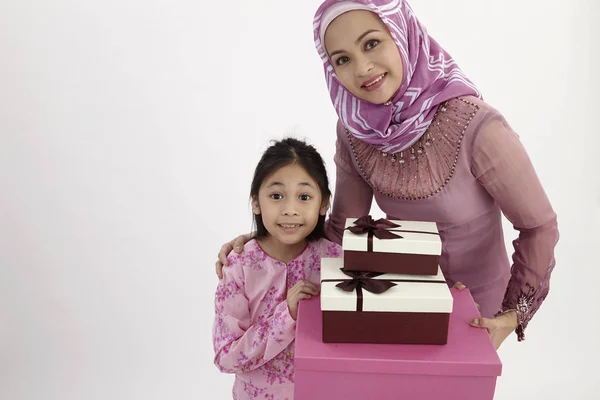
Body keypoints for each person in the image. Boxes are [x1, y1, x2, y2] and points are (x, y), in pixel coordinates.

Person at [215, 0, 559, 350]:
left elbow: (539, 226)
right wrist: (266, 240)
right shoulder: (355, 130)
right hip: (398, 296)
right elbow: (342, 229)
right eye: (342, 59)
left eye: (372, 43)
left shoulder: (477, 125)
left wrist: (511, 315)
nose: (362, 68)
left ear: (401, 34)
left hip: (475, 307)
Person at [212, 137, 343, 399]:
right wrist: (288, 314)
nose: (290, 210)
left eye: (304, 196)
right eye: (276, 196)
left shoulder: (335, 260)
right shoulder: (239, 267)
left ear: (324, 204)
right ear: (256, 202)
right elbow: (226, 357)